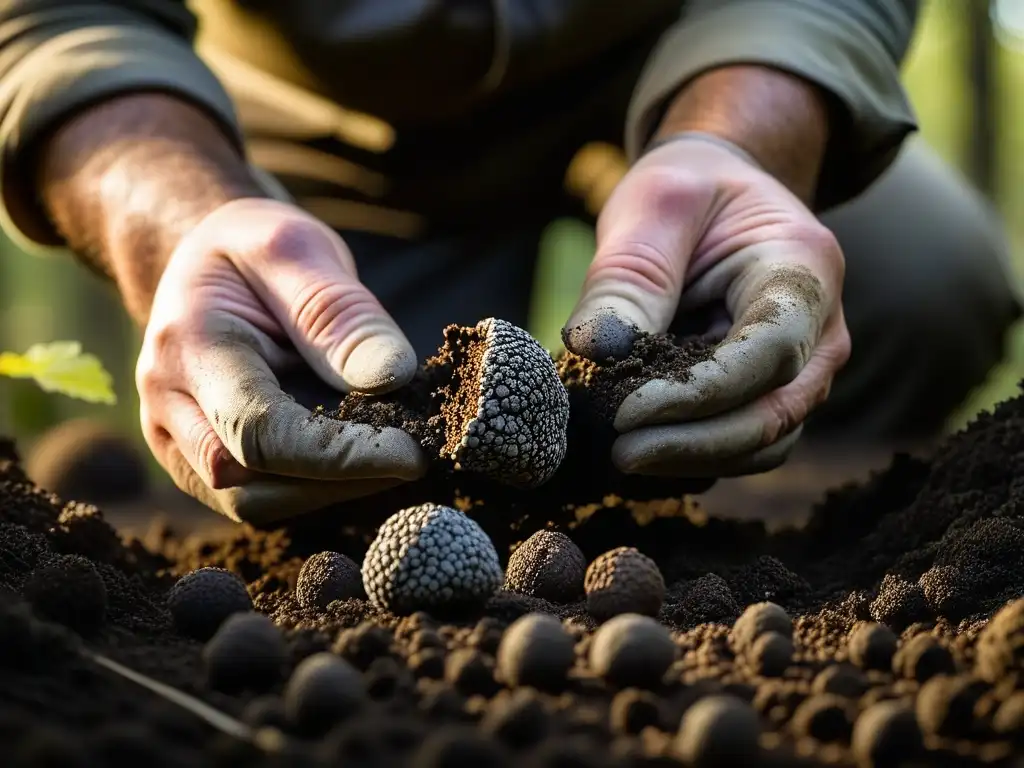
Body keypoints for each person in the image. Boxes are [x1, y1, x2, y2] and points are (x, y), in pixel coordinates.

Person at [0, 1, 1018, 525]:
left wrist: (744, 137)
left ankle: (758, 532)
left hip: (675, 61)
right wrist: (182, 220)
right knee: (325, 459)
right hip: (313, 130)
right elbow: (57, 17)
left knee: (923, 284)